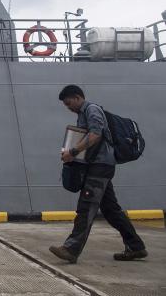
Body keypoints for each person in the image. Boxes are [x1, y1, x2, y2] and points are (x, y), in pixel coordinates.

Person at [50, 85, 147, 263]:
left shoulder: (92, 110)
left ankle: (71, 249)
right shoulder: (82, 114)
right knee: (111, 210)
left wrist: (72, 151)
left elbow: (95, 134)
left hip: (100, 166)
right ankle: (136, 247)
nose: (68, 107)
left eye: (69, 103)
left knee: (87, 206)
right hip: (98, 165)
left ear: (78, 97)